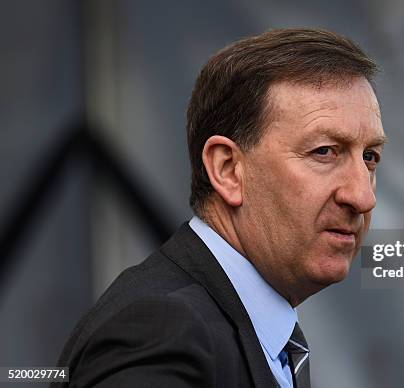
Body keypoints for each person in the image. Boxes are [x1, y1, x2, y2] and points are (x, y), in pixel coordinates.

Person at [54, 28, 386, 388]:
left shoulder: (238, 328)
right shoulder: (162, 331)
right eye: (324, 151)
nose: (362, 197)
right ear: (228, 169)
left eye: (370, 157)